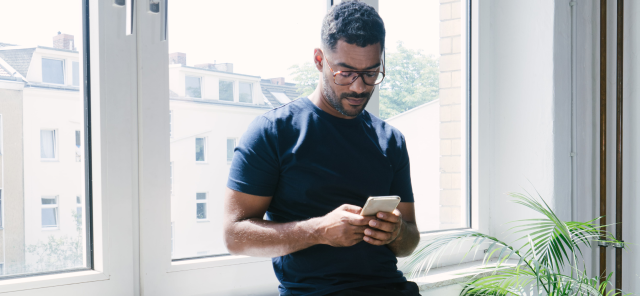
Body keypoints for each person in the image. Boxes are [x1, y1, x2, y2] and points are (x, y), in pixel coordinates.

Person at [223, 1, 420, 295]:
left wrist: (396, 232)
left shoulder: (390, 139)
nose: (358, 87)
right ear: (319, 60)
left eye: (370, 73)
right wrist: (318, 231)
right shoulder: (273, 131)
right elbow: (234, 237)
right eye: (345, 72)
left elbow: (409, 241)